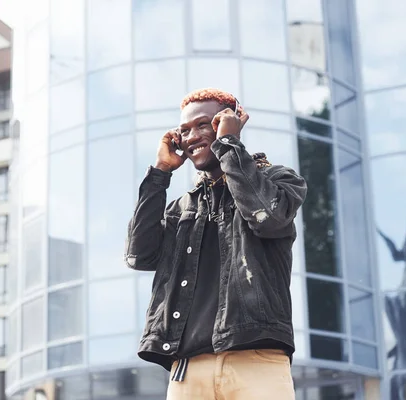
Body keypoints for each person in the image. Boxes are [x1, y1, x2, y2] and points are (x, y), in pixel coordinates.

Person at [124, 88, 307, 399]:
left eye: (203, 125)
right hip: (188, 370)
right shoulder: (181, 208)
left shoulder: (279, 181)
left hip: (257, 362)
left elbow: (267, 216)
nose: (192, 136)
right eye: (184, 130)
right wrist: (159, 173)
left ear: (229, 123)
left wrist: (228, 145)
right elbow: (139, 255)